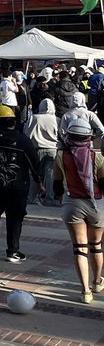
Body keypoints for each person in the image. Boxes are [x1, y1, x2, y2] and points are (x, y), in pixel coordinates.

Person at [0, 105, 42, 262]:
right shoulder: (23, 141)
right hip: (17, 186)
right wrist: (39, 182)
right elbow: (33, 163)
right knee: (15, 218)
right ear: (14, 122)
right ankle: (12, 250)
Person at [54, 118, 104, 303]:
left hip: (72, 204)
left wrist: (64, 200)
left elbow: (57, 186)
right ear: (88, 137)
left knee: (79, 249)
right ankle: (98, 281)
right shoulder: (97, 157)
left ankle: (85, 292)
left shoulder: (60, 156)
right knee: (96, 246)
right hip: (96, 205)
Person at [26, 97, 60, 206]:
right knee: (50, 175)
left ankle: (31, 198)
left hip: (36, 148)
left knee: (34, 174)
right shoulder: (57, 119)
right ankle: (49, 199)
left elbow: (27, 134)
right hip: (52, 149)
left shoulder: (33, 118)